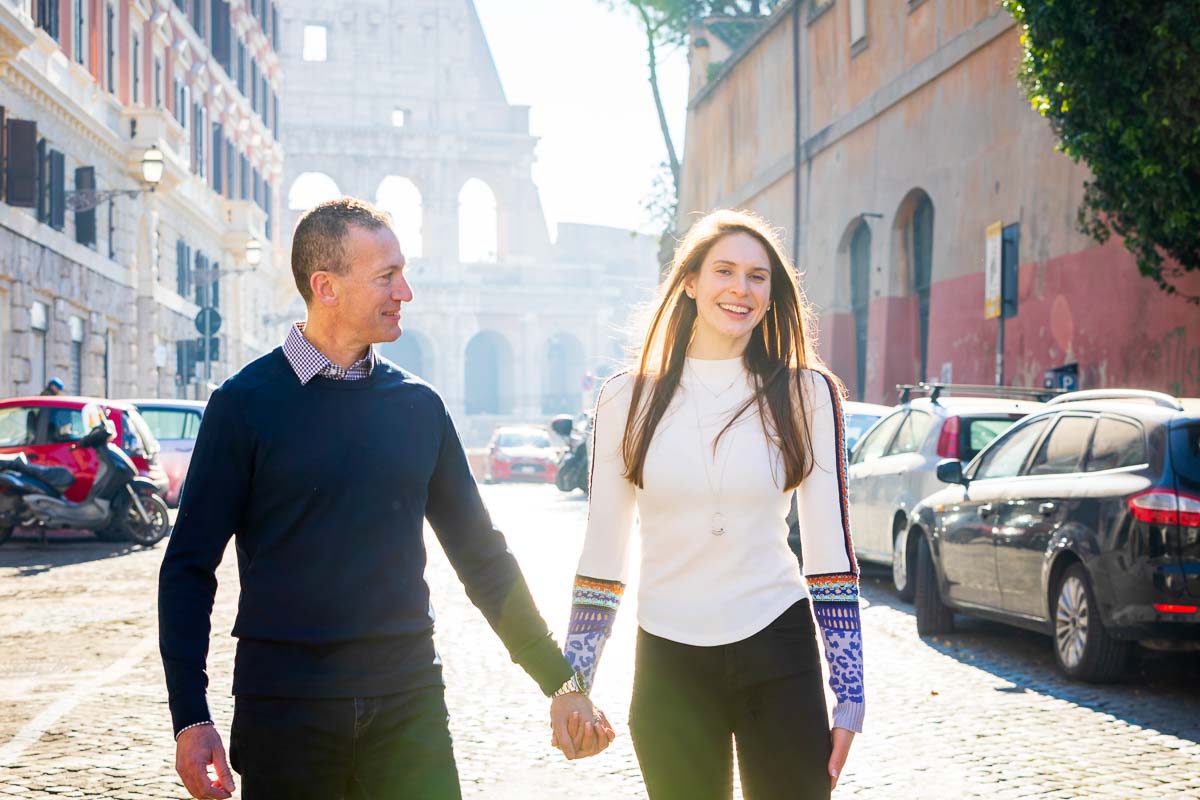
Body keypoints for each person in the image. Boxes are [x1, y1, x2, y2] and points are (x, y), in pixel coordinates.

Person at [158, 197, 612, 800]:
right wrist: (190, 715)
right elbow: (188, 568)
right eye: (386, 276)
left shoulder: (419, 408)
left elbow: (483, 557)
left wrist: (560, 682)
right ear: (327, 287)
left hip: (408, 706)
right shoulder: (243, 405)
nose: (406, 291)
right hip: (285, 713)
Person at [550, 209, 864, 799]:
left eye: (757, 276)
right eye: (724, 271)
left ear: (773, 295)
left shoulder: (807, 394)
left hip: (777, 645)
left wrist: (849, 693)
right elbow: (603, 555)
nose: (740, 289)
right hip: (669, 660)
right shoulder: (625, 396)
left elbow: (829, 554)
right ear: (690, 282)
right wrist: (574, 681)